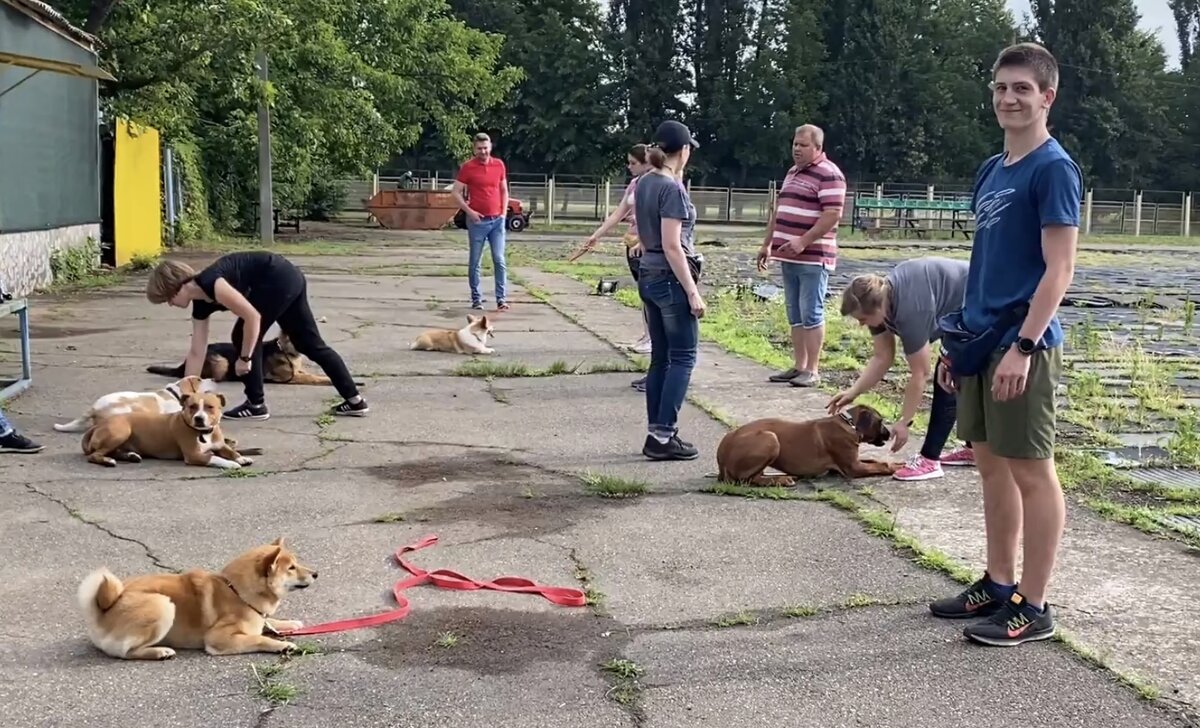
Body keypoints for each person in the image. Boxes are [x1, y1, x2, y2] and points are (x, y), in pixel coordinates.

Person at [930, 41, 1082, 648]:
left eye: (1022, 88)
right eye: (1000, 88)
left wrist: (1025, 344)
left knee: (1031, 470)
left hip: (1024, 343)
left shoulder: (1053, 168)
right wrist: (957, 345)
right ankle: (997, 584)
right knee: (990, 465)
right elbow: (984, 262)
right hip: (981, 339)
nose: (1009, 98)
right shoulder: (992, 170)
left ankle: (1035, 604)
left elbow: (1059, 269)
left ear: (1047, 97)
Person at [145, 252, 369, 421]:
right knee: (308, 343)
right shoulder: (200, 305)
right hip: (288, 278)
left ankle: (255, 404)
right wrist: (187, 395)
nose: (170, 304)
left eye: (167, 299)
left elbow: (252, 318)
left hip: (278, 277)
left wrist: (244, 359)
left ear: (175, 288)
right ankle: (354, 400)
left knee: (242, 335)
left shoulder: (212, 283)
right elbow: (197, 351)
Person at [828, 258, 976, 482]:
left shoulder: (910, 311)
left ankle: (930, 460)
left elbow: (920, 373)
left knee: (946, 372)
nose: (861, 324)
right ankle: (973, 448)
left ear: (877, 308)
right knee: (960, 372)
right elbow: (882, 357)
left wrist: (904, 422)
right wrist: (853, 392)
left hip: (977, 300)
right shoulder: (881, 304)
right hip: (955, 308)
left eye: (862, 319)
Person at [756, 124, 847, 389]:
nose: (796, 149)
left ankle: (813, 369)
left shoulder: (830, 175)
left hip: (813, 257)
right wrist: (767, 243)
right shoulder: (792, 172)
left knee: (811, 312)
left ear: (818, 147)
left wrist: (803, 240)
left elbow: (832, 215)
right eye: (795, 144)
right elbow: (780, 209)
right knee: (794, 312)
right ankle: (799, 365)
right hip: (788, 256)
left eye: (803, 145)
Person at [635, 120, 705, 461]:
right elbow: (673, 245)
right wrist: (692, 291)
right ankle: (664, 435)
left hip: (647, 273)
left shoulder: (645, 182)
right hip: (669, 277)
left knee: (660, 358)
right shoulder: (671, 189)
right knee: (684, 357)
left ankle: (655, 432)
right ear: (685, 150)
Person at [581, 144, 653, 389]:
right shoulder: (634, 185)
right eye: (629, 162)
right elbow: (619, 213)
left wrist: (645, 240)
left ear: (647, 163)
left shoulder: (655, 183)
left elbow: (654, 217)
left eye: (634, 163)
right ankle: (647, 335)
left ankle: (653, 339)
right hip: (631, 242)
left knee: (650, 294)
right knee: (643, 294)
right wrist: (596, 235)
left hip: (647, 246)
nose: (629, 167)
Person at [452, 132, 511, 312]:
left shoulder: (499, 165)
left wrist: (503, 213)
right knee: (475, 260)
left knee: (499, 259)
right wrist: (469, 211)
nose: (483, 152)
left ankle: (501, 298)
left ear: (490, 147)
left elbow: (504, 190)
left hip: (496, 221)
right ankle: (476, 298)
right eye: (479, 149)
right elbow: (455, 192)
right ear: (474, 148)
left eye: (486, 148)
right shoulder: (468, 167)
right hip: (477, 222)